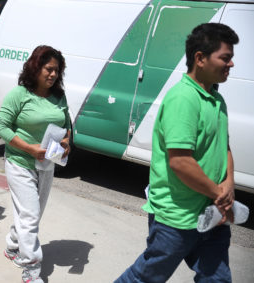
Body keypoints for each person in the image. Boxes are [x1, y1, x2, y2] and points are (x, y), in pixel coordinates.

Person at [115, 23, 239, 283]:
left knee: (217, 279)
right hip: (177, 218)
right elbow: (180, 162)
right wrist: (218, 193)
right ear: (200, 58)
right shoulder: (183, 98)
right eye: (225, 58)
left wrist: (228, 183)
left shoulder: (216, 99)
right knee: (146, 278)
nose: (231, 65)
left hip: (212, 214)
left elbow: (223, 147)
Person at [0, 45, 71, 283]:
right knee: (29, 214)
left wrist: (67, 142)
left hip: (48, 163)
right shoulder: (19, 94)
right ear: (35, 67)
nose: (53, 75)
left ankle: (12, 246)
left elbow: (66, 123)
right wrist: (30, 149)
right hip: (20, 162)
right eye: (48, 69)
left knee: (32, 215)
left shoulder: (59, 96)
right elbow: (1, 127)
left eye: (57, 70)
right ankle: (31, 269)